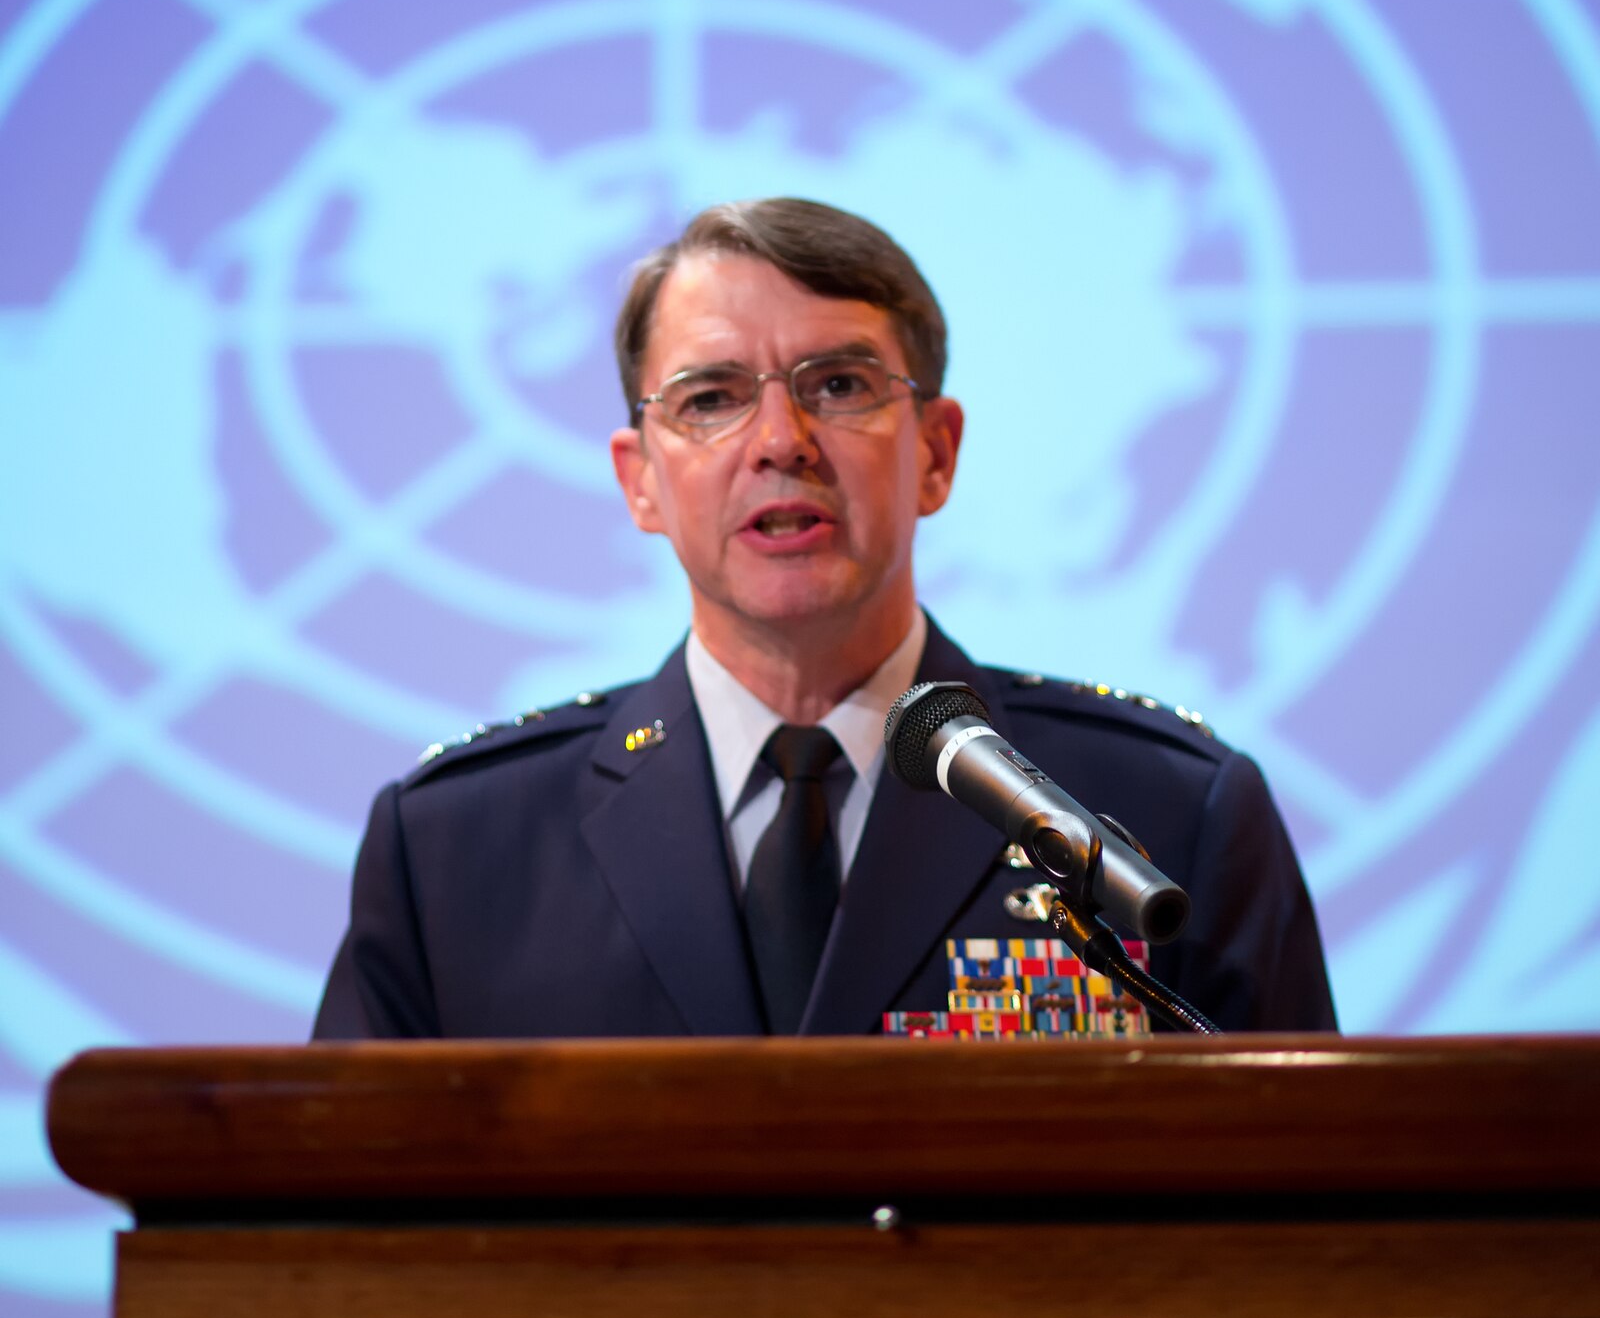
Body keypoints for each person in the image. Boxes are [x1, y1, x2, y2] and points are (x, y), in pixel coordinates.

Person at [314, 199, 1335, 1039]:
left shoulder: (1163, 815)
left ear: (934, 451)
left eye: (838, 385)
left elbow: (1319, 1234)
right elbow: (328, 1248)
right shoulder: (457, 846)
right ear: (641, 481)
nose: (779, 440)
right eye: (711, 397)